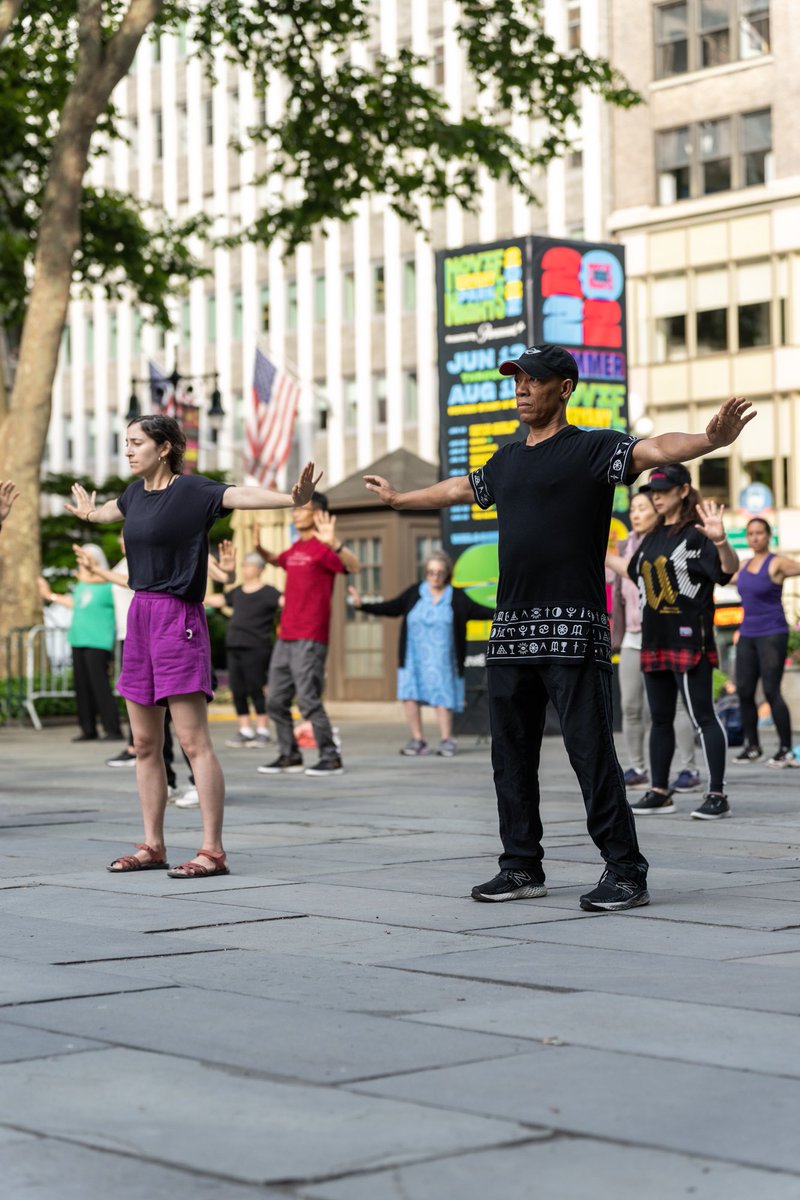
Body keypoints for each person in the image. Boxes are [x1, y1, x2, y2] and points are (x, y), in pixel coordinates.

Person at [365, 342, 754, 911]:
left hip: (573, 629)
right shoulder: (506, 460)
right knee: (510, 755)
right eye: (516, 379)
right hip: (511, 630)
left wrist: (710, 441)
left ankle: (625, 872)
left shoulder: (594, 448)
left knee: (590, 751)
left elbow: (657, 448)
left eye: (533, 379)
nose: (521, 388)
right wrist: (401, 499)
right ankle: (520, 866)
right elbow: (459, 488)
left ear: (564, 387)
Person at [64, 412, 319, 879]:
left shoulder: (193, 491)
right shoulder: (133, 495)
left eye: (135, 442)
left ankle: (212, 850)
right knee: (144, 743)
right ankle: (152, 844)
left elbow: (239, 494)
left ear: (163, 447)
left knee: (192, 741)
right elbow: (109, 512)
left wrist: (289, 498)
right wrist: (87, 513)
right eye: (125, 442)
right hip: (139, 615)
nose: (127, 450)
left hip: (178, 618)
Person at [607, 464, 740, 820]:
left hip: (689, 637)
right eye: (654, 491)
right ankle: (660, 791)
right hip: (654, 637)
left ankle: (717, 794)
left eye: (664, 490)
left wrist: (721, 540)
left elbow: (727, 573)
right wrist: (594, 551)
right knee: (660, 718)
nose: (657, 496)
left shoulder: (698, 532)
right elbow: (633, 569)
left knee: (703, 716)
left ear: (683, 491)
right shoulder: (652, 536)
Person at [255, 492, 359, 777]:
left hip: (311, 635)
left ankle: (330, 756)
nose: (296, 512)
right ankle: (289, 756)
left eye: (303, 508)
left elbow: (354, 566)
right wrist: (258, 548)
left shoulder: (324, 548)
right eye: (295, 509)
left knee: (308, 699)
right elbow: (279, 560)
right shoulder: (297, 547)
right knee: (275, 700)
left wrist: (335, 543)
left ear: (318, 514)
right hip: (286, 635)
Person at [348, 550, 492, 757]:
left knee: (443, 697)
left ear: (447, 574)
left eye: (439, 573)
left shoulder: (456, 597)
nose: (434, 577)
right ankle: (418, 740)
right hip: (413, 658)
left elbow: (483, 611)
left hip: (443, 660)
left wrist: (507, 612)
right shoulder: (415, 593)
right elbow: (391, 607)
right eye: (430, 572)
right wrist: (363, 606)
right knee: (410, 695)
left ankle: (447, 739)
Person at [611, 490, 701, 793]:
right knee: (630, 706)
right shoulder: (624, 546)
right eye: (633, 508)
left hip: (665, 635)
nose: (635, 514)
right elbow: (619, 596)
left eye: (642, 508)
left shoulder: (665, 542)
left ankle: (689, 770)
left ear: (657, 511)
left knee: (673, 708)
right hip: (634, 637)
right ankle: (637, 767)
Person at [37, 544, 124, 743]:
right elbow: (74, 603)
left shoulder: (109, 584)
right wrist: (48, 594)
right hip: (78, 638)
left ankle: (113, 729)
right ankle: (88, 729)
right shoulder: (82, 584)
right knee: (82, 686)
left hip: (98, 641)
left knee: (100, 685)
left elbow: (105, 579)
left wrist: (92, 568)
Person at [732, 516, 800, 767]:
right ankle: (752, 746)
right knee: (744, 691)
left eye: (760, 533)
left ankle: (784, 748)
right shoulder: (743, 565)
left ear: (768, 536)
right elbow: (719, 575)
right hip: (747, 633)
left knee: (771, 689)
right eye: (750, 533)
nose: (755, 537)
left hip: (772, 632)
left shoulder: (777, 562)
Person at [206, 551, 281, 749]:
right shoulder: (238, 591)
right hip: (234, 645)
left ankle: (263, 730)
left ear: (259, 569)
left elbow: (287, 603)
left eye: (248, 565)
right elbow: (219, 600)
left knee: (256, 687)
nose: (245, 568)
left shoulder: (269, 592)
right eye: (245, 565)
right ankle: (245, 729)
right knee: (237, 689)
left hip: (256, 646)